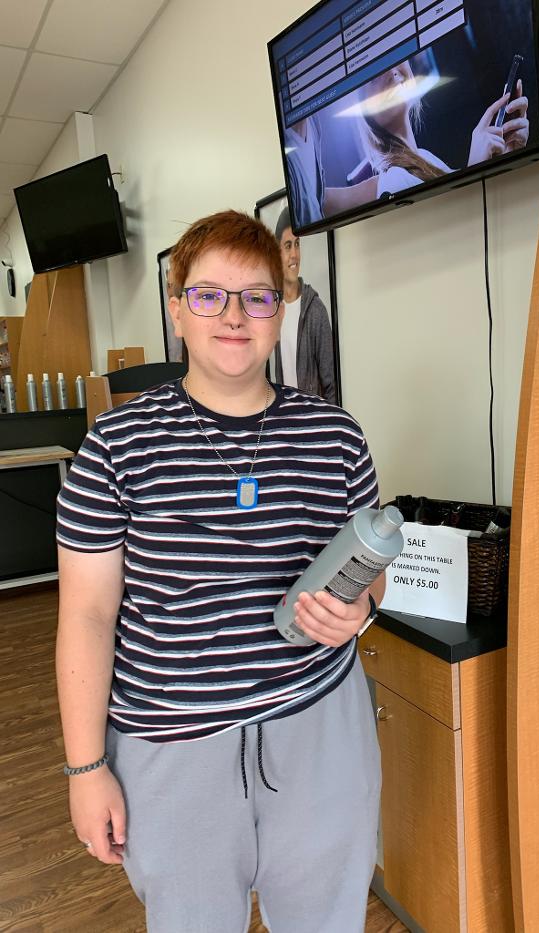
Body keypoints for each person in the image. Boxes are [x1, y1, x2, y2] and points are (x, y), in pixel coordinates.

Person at [55, 209, 383, 933]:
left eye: (257, 296)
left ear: (279, 310)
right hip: (173, 751)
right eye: (209, 295)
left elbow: (370, 565)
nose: (234, 316)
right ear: (178, 310)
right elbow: (86, 615)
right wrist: (86, 769)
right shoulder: (115, 447)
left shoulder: (335, 435)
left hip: (321, 731)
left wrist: (360, 609)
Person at [323, 59, 529, 216]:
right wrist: (475, 167)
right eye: (373, 75)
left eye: (394, 55)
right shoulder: (394, 179)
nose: (391, 70)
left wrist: (506, 158)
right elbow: (456, 229)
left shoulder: (424, 158)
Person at [272, 206, 337, 404]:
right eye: (288, 246)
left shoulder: (316, 310)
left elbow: (331, 387)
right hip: (283, 419)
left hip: (311, 419)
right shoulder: (271, 311)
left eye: (297, 244)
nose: (294, 254)